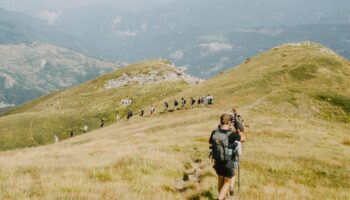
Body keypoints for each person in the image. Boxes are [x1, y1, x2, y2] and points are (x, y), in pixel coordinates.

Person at [209, 114, 246, 200]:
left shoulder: (215, 132)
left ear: (220, 121)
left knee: (220, 180)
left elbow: (210, 142)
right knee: (227, 182)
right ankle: (220, 198)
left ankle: (222, 197)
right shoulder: (231, 135)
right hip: (227, 161)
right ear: (229, 122)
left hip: (217, 160)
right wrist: (240, 131)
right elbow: (243, 139)